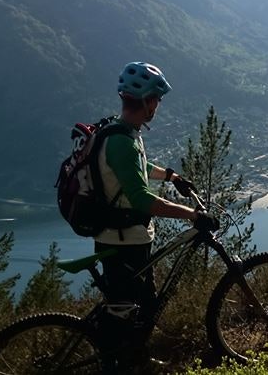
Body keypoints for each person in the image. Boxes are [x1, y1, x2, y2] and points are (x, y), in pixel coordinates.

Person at [95, 61, 218, 367]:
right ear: (148, 101)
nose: (159, 106)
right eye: (158, 100)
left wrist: (172, 177)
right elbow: (141, 199)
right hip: (122, 240)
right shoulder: (122, 141)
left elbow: (138, 170)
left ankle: (137, 358)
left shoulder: (122, 131)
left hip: (127, 237)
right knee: (124, 311)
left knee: (143, 305)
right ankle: (114, 365)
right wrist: (192, 215)